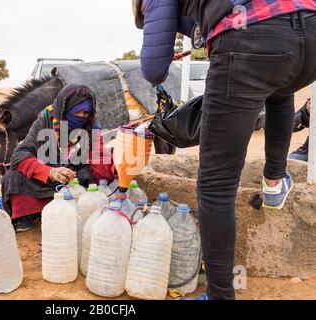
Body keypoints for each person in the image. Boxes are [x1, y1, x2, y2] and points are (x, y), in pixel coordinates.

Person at [133, 0, 316, 300]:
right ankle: (274, 182)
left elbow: (154, 69)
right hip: (309, 32)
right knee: (280, 86)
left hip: (249, 41)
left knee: (216, 185)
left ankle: (220, 296)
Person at [1, 84, 115, 232]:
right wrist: (49, 172)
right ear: (64, 109)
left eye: (86, 113)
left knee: (89, 178)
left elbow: (101, 169)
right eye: (76, 113)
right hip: (44, 177)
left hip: (73, 180)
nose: (81, 117)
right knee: (12, 177)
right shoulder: (45, 121)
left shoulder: (91, 127)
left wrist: (98, 143)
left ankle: (67, 210)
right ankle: (28, 215)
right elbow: (20, 155)